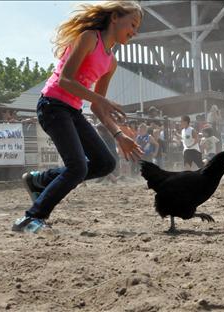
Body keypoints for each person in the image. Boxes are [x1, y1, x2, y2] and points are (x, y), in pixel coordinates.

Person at [12, 1, 144, 233]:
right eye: (132, 24)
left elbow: (96, 106)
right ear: (114, 17)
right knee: (77, 168)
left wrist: (119, 135)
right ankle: (30, 219)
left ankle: (39, 180)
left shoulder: (111, 62)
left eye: (136, 28)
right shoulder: (89, 38)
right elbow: (65, 80)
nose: (134, 32)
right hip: (52, 105)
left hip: (72, 111)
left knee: (105, 163)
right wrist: (103, 100)